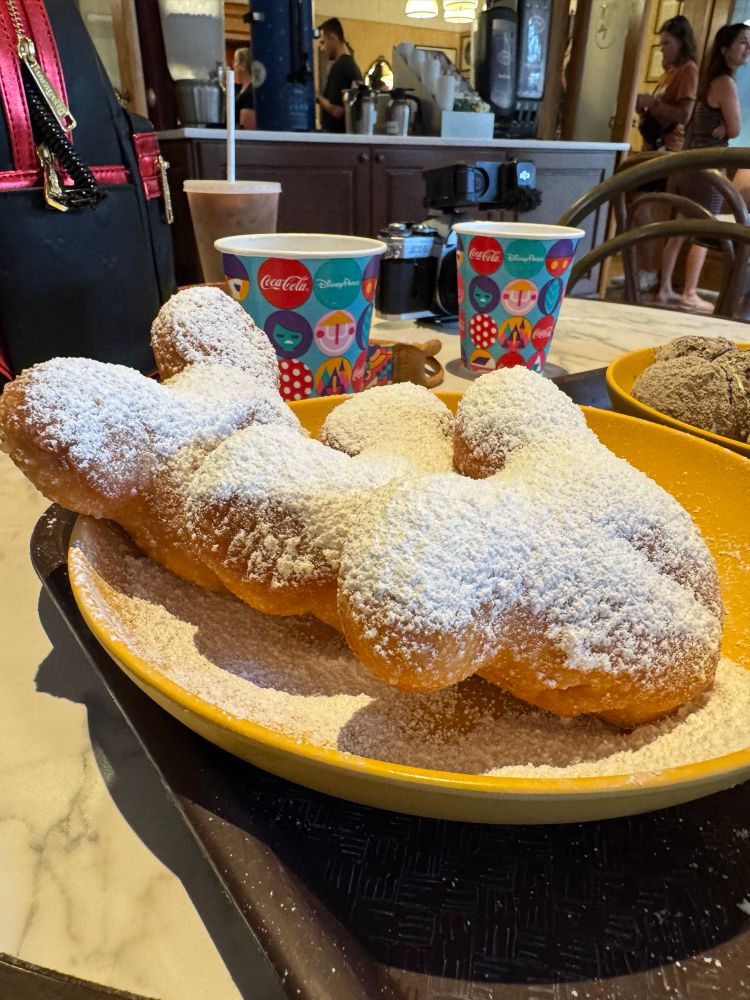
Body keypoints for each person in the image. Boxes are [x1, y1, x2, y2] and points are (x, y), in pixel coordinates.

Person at [651, 22, 750, 312]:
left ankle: (666, 287)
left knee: (680, 227)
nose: (748, 49)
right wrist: (725, 128)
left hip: (689, 162)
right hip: (709, 168)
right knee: (704, 228)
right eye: (743, 42)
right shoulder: (725, 83)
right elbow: (735, 128)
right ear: (725, 48)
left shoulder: (707, 80)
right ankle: (690, 292)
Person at [635, 15, 698, 153]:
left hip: (667, 149)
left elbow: (684, 115)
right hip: (652, 146)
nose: (662, 49)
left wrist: (653, 103)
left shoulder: (688, 69)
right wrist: (643, 110)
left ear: (682, 43)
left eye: (667, 43)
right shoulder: (669, 72)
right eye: (661, 44)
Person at [316, 17, 361, 133]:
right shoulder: (351, 64)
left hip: (337, 135)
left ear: (332, 38)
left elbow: (337, 111)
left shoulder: (341, 67)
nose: (322, 48)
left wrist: (316, 96)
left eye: (323, 42)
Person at [233, 47, 256, 130]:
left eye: (236, 61)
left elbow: (248, 129)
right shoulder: (241, 90)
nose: (234, 65)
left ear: (243, 65)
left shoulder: (249, 93)